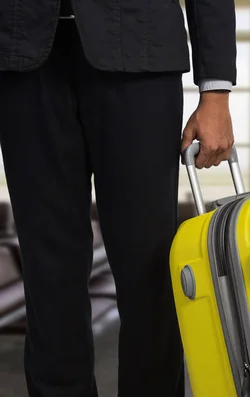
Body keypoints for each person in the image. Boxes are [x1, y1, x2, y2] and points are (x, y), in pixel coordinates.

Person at [0, 0, 236, 395]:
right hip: (21, 56)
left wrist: (215, 91)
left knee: (148, 268)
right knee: (47, 271)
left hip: (140, 52)